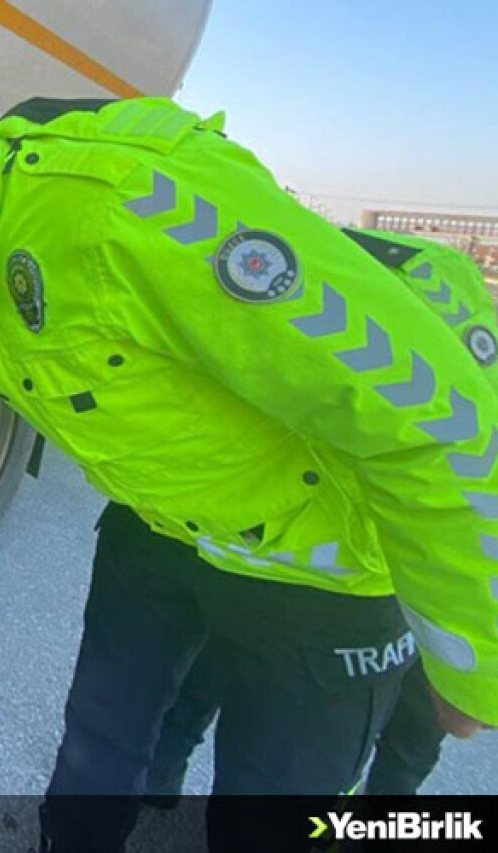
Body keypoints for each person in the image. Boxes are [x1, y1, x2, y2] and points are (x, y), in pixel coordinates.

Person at [0, 99, 496, 852]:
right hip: (161, 528)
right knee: (100, 747)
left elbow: (430, 419)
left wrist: (471, 672)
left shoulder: (131, 218)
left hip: (313, 573)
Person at [144, 232, 497, 802]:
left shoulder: (312, 254)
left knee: (209, 684)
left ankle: (158, 782)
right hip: (362, 577)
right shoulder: (443, 286)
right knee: (380, 750)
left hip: (297, 556)